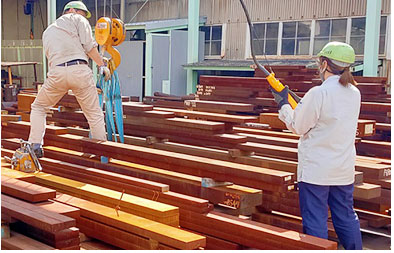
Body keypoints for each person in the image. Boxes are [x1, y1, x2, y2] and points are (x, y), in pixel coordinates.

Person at [270, 41, 362, 250]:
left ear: (324, 64)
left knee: (316, 221)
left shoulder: (318, 93)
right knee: (346, 217)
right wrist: (303, 104)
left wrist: (284, 105)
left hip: (316, 172)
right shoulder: (354, 93)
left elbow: (299, 126)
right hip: (343, 170)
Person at [28, 1, 111, 157]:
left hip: (56, 72)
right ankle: (101, 153)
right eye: (82, 13)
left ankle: (35, 145)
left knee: (38, 107)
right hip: (79, 70)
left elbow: (49, 56)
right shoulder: (77, 19)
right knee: (94, 115)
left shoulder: (48, 31)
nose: (84, 16)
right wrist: (101, 65)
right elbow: (89, 46)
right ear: (71, 10)